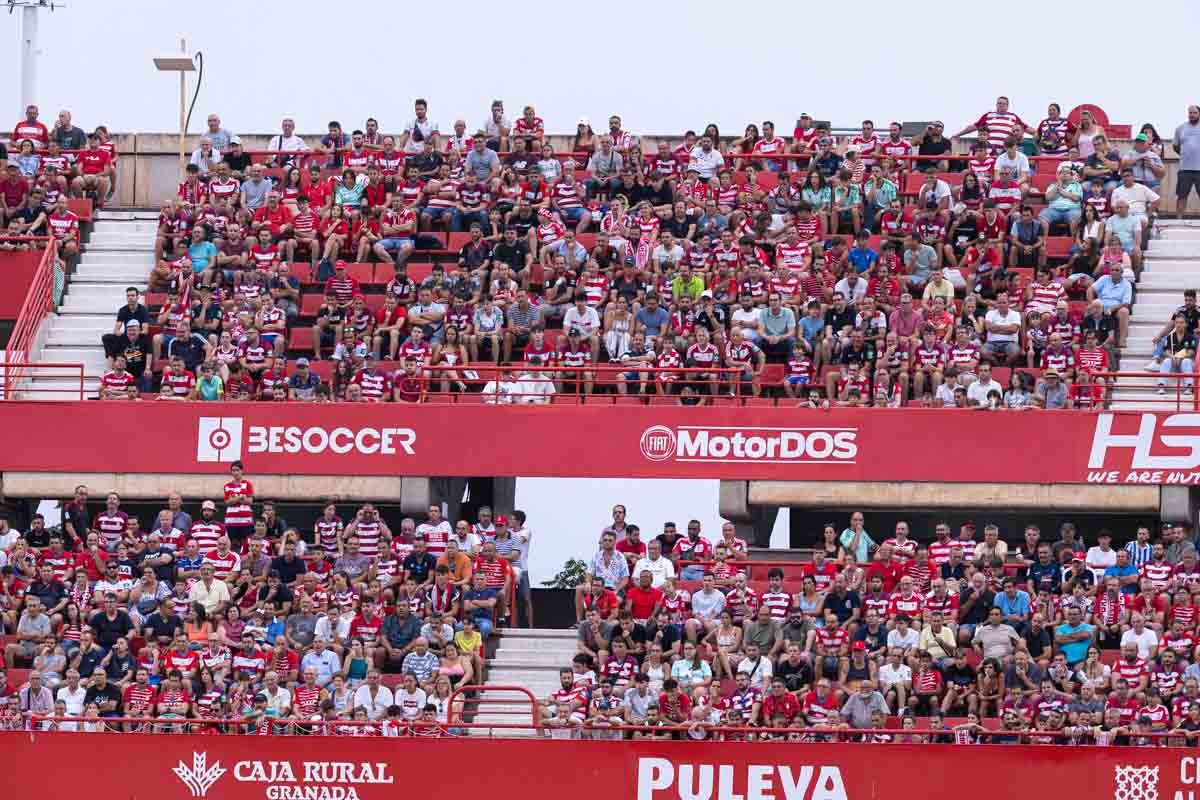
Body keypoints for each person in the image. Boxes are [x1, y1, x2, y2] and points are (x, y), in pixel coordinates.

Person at [1174, 105, 1200, 219]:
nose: (1192, 115)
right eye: (1190, 113)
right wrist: (1186, 155)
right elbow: (1176, 146)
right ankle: (1179, 220)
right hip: (1184, 169)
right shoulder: (1180, 128)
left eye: (1194, 113)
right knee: (1181, 195)